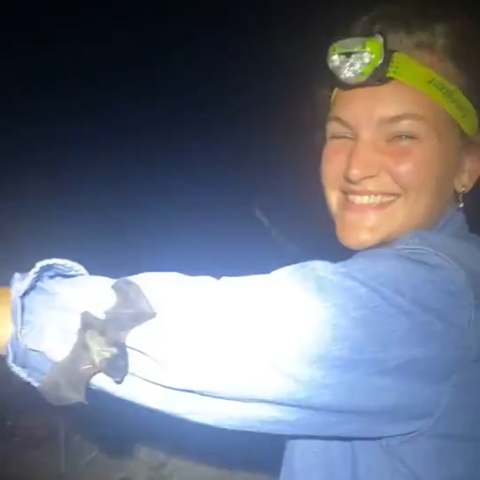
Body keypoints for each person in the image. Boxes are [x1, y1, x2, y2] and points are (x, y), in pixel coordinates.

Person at [2, 3, 480, 480]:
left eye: (401, 137)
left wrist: (16, 312)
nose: (356, 167)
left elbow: (222, 335)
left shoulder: (438, 299)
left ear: (466, 166)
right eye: (341, 135)